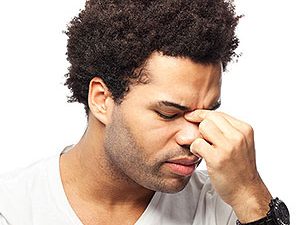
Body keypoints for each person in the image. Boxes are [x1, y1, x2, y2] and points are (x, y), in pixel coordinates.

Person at [0, 0, 290, 225]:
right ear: (102, 99)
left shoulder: (228, 209)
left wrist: (250, 195)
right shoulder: (11, 210)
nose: (194, 138)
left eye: (206, 114)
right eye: (169, 114)